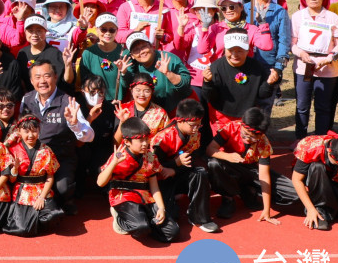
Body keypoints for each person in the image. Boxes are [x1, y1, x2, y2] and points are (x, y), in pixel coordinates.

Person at [19, 59, 93, 214]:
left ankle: (66, 199)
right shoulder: (26, 99)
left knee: (62, 189)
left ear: (55, 77)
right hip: (34, 158)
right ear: (31, 81)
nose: (42, 81)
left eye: (47, 76)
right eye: (37, 77)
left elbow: (89, 136)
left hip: (61, 157)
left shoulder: (68, 101)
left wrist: (75, 124)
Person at [97, 116, 177, 243]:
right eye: (140, 140)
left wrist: (161, 208)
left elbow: (154, 186)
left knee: (172, 232)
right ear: (127, 141)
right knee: (141, 227)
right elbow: (100, 182)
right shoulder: (118, 156)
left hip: (145, 197)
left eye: (146, 139)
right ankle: (120, 219)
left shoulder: (150, 157)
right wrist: (113, 163)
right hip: (124, 197)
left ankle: (144, 221)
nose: (145, 143)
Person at [289, 0, 338, 138]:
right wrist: (301, 54)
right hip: (302, 67)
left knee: (323, 107)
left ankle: (321, 139)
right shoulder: (297, 17)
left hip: (328, 68)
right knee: (302, 106)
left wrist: (330, 58)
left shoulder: (333, 17)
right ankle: (300, 139)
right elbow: (292, 43)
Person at [152, 98, 218, 232]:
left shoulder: (195, 134)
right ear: (180, 120)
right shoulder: (163, 138)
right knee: (170, 219)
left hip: (177, 172)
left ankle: (199, 218)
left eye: (198, 125)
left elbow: (192, 158)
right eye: (192, 125)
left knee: (200, 173)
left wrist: (174, 170)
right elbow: (152, 166)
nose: (195, 129)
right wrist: (174, 164)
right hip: (159, 179)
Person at [272, 132, 338, 231]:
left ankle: (332, 206)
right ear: (329, 151)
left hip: (335, 179)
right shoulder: (309, 147)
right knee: (317, 167)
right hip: (312, 177)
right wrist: (310, 209)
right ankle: (319, 210)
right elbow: (297, 179)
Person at [205, 108, 278, 222]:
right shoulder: (231, 127)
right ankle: (228, 198)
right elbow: (210, 149)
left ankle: (247, 190)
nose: (248, 139)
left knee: (290, 193)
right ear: (242, 125)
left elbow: (264, 176)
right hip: (231, 166)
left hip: (252, 171)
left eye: (253, 137)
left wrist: (267, 210)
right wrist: (227, 156)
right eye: (245, 134)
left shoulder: (264, 142)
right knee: (213, 164)